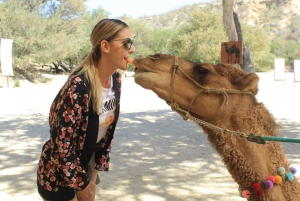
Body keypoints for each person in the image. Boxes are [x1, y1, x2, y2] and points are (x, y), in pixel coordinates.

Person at [37, 19, 135, 201]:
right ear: (105, 46)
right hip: (59, 171)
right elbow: (61, 143)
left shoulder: (116, 81)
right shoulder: (77, 87)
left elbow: (107, 132)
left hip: (87, 163)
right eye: (126, 43)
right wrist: (79, 184)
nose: (132, 49)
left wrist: (94, 173)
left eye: (132, 43)